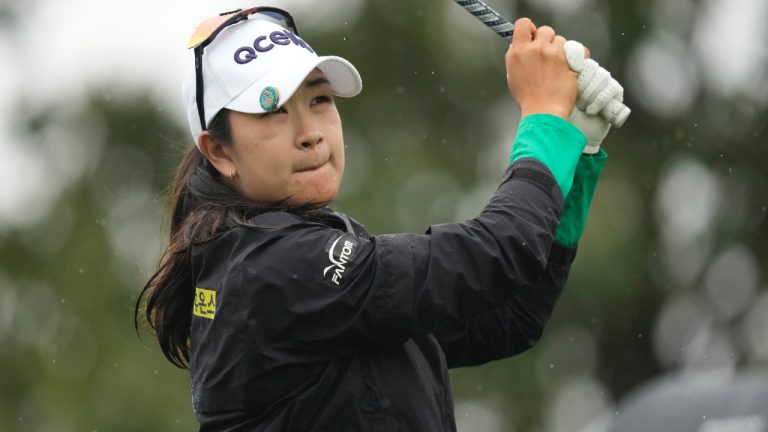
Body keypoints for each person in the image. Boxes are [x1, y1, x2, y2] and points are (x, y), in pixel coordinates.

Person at [135, 6, 610, 432]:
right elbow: (499, 250)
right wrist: (545, 120)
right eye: (273, 111)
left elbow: (507, 319)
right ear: (219, 152)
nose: (311, 135)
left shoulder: (274, 262)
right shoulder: (269, 270)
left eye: (319, 100)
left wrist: (575, 151)